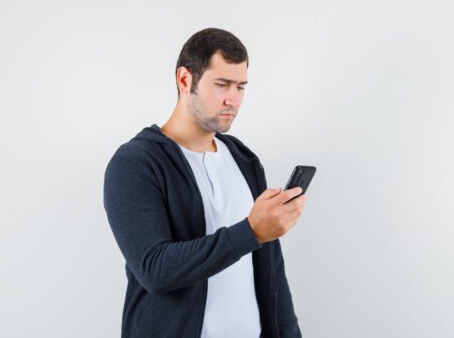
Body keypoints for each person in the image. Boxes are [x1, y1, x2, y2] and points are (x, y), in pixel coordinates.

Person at [103, 28, 307, 337]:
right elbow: (155, 269)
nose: (233, 99)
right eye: (222, 84)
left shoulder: (243, 159)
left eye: (241, 87)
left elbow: (271, 273)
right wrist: (251, 231)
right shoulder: (136, 163)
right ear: (185, 80)